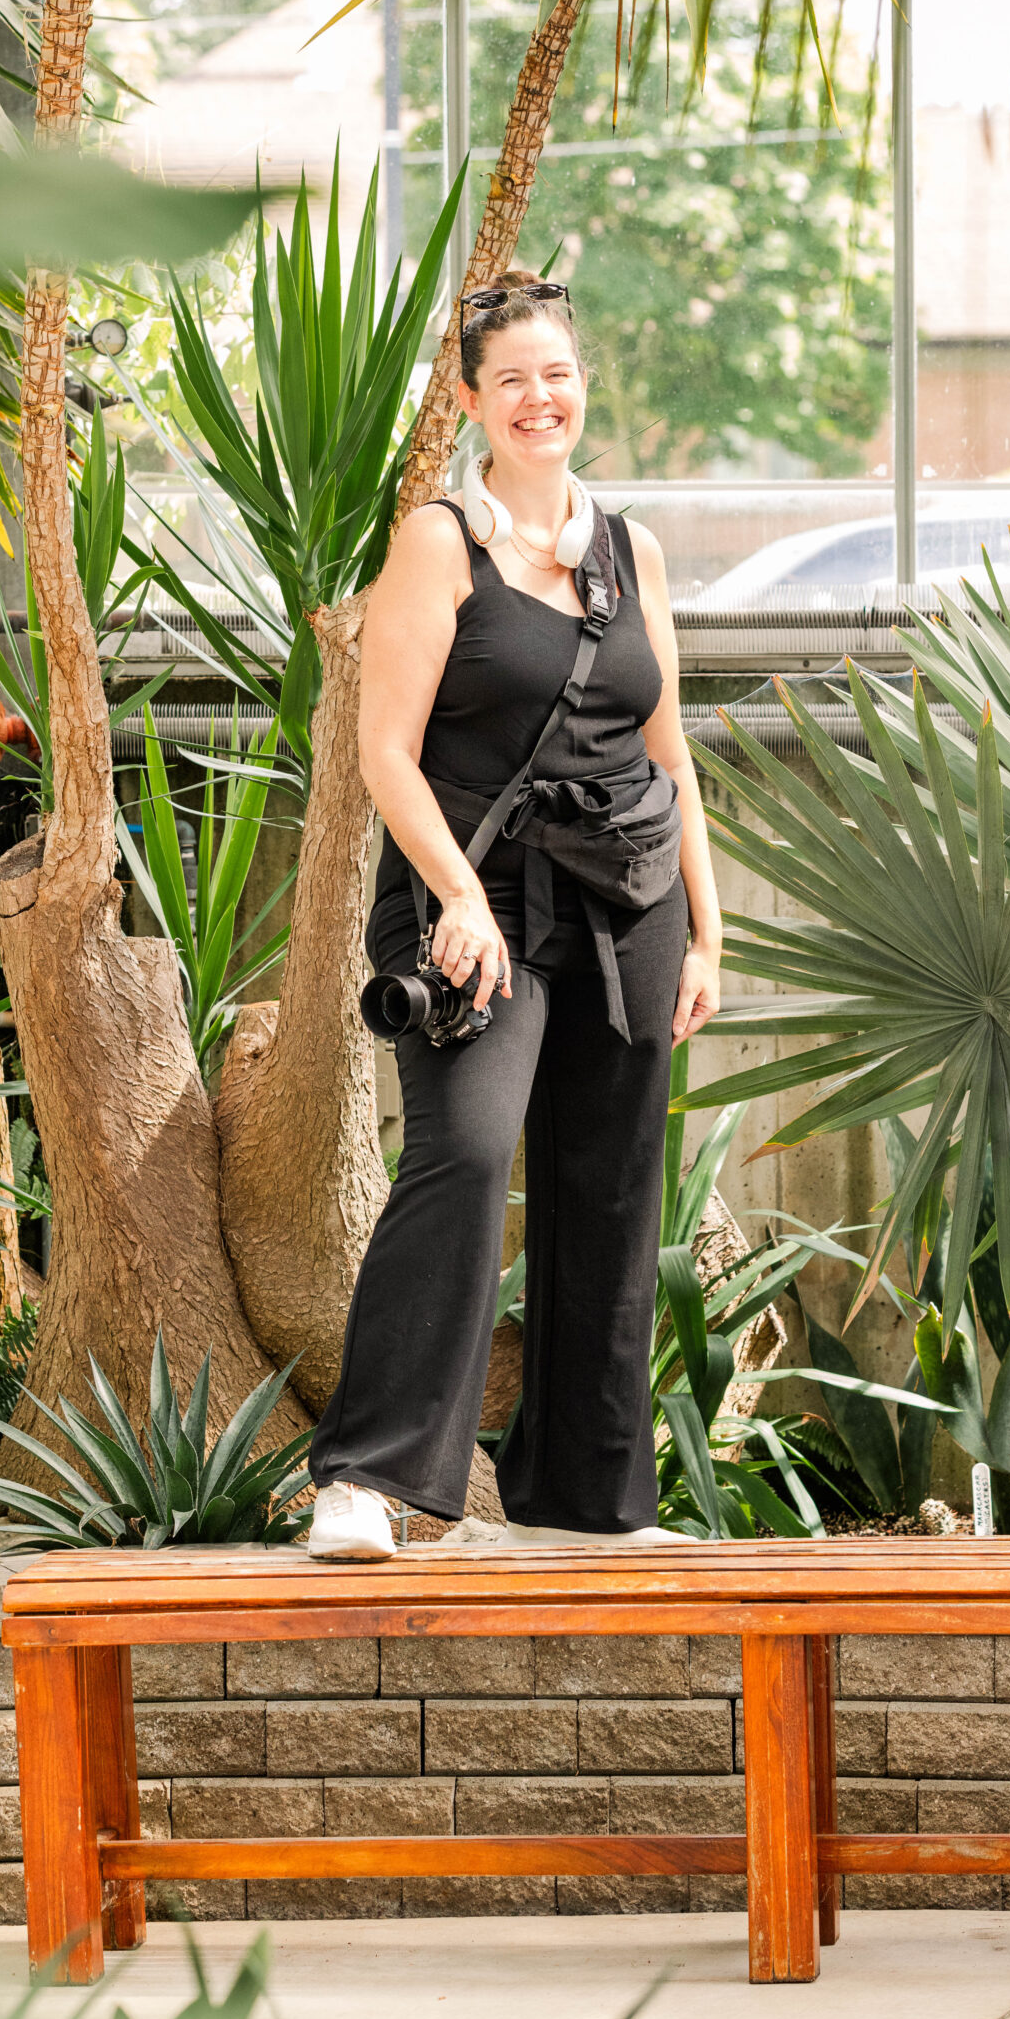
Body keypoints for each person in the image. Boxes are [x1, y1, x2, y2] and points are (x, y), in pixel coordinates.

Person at [305, 272, 723, 1561]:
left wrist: (708, 929)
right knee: (470, 1151)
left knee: (608, 1189)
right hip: (472, 904)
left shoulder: (628, 550)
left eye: (559, 375)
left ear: (579, 385)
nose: (541, 399)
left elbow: (669, 749)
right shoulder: (438, 541)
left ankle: (592, 1499)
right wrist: (458, 899)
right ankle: (365, 1483)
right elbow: (386, 752)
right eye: (513, 381)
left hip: (629, 906)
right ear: (473, 401)